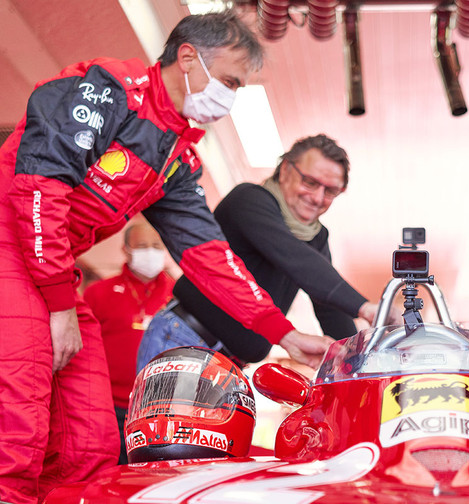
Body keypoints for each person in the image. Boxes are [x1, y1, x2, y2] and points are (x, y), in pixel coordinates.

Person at [0, 11, 329, 503]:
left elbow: (208, 253)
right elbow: (38, 185)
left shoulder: (174, 154)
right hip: (14, 251)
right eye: (231, 81)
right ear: (189, 57)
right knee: (19, 427)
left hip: (55, 268)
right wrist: (58, 304)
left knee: (91, 439)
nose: (232, 97)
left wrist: (283, 332)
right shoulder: (109, 89)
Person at [138, 134, 382, 369]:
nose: (318, 197)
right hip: (184, 341)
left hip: (230, 365)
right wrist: (364, 306)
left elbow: (330, 308)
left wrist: (360, 363)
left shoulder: (316, 237)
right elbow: (296, 259)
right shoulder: (248, 200)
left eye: (330, 191)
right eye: (310, 182)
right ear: (286, 169)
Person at [83, 221, 174, 464]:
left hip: (164, 410)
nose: (151, 252)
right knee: (110, 477)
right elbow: (84, 350)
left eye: (156, 246)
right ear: (126, 250)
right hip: (109, 408)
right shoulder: (98, 293)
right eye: (143, 246)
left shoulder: (179, 295)